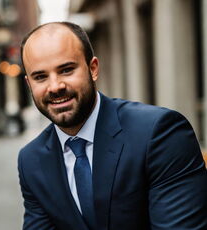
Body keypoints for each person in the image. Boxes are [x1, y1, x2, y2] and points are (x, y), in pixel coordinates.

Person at [18, 21, 207, 230]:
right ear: (29, 84)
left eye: (66, 70)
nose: (55, 87)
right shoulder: (31, 160)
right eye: (41, 77)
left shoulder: (159, 133)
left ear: (93, 69)